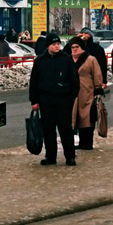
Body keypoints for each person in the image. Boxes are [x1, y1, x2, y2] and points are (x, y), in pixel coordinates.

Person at [28, 33, 79, 165]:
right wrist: (34, 100)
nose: (57, 46)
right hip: (46, 100)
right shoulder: (40, 60)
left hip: (64, 99)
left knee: (65, 129)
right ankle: (50, 156)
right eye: (54, 44)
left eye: (58, 44)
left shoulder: (66, 59)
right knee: (48, 129)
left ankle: (70, 156)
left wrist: (72, 96)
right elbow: (34, 82)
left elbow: (74, 80)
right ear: (48, 46)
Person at [68, 37, 103, 150]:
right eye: (72, 47)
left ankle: (88, 142)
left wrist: (98, 89)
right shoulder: (68, 60)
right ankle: (81, 142)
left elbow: (97, 75)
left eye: (77, 47)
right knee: (77, 117)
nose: (74, 49)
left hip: (88, 92)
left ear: (82, 47)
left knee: (88, 118)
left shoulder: (90, 60)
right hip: (74, 94)